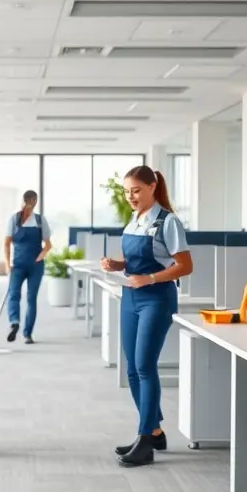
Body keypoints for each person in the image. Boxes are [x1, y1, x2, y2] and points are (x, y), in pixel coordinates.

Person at [100, 166, 193, 467]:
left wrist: (150, 278)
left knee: (144, 366)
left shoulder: (168, 221)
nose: (131, 196)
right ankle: (153, 431)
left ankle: (145, 442)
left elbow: (185, 265)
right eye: (127, 191)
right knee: (131, 369)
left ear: (152, 187)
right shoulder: (135, 219)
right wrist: (117, 265)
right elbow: (135, 261)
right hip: (131, 296)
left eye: (136, 190)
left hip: (156, 298)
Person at [4, 190, 52, 344]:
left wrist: (40, 257)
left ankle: (28, 334)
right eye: (26, 202)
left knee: (31, 298)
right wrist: (7, 264)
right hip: (17, 265)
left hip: (35, 267)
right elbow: (6, 243)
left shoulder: (40, 221)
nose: (27, 205)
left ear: (35, 203)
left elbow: (48, 244)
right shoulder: (14, 219)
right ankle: (14, 323)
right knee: (13, 294)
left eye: (31, 203)